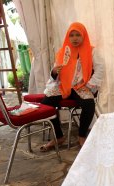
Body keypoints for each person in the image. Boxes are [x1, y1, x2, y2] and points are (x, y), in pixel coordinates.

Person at [40, 22, 104, 151]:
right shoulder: (63, 52)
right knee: (47, 103)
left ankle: (82, 136)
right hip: (64, 85)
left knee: (88, 103)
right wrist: (54, 72)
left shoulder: (91, 51)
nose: (75, 38)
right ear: (68, 37)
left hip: (81, 86)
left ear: (83, 36)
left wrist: (90, 84)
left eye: (78, 35)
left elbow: (100, 69)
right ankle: (58, 136)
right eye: (72, 35)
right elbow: (56, 70)